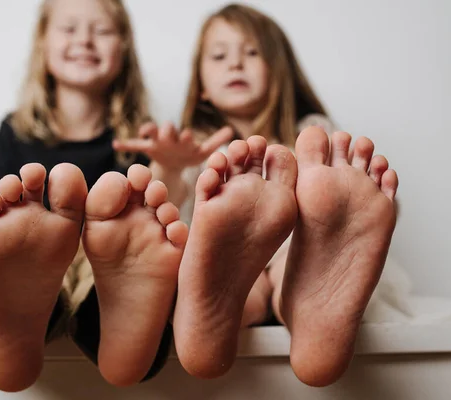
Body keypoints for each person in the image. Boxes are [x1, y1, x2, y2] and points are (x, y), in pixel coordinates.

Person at [0, 0, 214, 392]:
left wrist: (170, 166)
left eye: (100, 30)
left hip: (108, 256)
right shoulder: (15, 130)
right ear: (42, 44)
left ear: (124, 48)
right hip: (37, 252)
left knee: (114, 257)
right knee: (32, 260)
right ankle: (23, 319)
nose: (84, 39)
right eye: (69, 28)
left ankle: (111, 314)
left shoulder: (143, 135)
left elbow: (154, 209)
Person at [113, 4, 398, 386]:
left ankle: (307, 304)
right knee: (241, 287)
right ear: (201, 86)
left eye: (251, 53)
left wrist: (348, 198)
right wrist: (170, 165)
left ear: (280, 71)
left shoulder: (312, 133)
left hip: (299, 251)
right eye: (219, 56)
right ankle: (222, 310)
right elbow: (162, 203)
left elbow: (363, 198)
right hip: (228, 255)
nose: (235, 64)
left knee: (284, 272)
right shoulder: (195, 147)